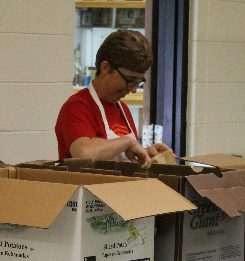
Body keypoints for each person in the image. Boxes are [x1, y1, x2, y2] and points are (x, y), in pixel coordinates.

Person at [55, 30, 172, 169]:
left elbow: (122, 158)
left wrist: (144, 154)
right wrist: (128, 142)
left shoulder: (123, 110)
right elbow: (83, 152)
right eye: (130, 80)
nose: (133, 89)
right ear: (105, 68)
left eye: (138, 82)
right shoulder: (77, 107)